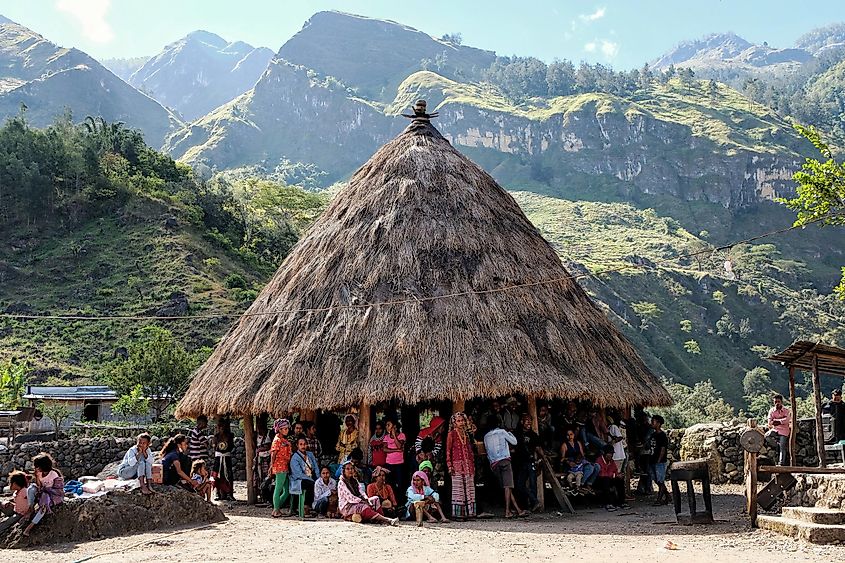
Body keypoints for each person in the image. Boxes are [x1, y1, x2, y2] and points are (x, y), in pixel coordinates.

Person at [483, 417, 528, 518]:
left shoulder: (486, 436)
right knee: (508, 486)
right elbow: (514, 442)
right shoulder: (502, 432)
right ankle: (507, 511)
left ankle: (518, 509)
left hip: (494, 464)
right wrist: (510, 433)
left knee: (506, 487)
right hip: (504, 461)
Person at [338, 461, 399, 526]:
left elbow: (362, 492)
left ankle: (380, 519)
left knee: (376, 499)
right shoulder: (342, 482)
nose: (350, 470)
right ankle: (387, 520)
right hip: (347, 506)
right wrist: (363, 501)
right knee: (364, 506)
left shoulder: (355, 481)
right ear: (344, 471)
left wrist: (366, 500)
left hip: (358, 502)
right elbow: (350, 498)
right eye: (347, 469)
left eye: (352, 468)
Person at [23, 453, 64, 537]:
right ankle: (31, 508)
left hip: (53, 495)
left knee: (44, 505)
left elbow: (58, 489)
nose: (35, 468)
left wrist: (45, 492)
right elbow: (39, 486)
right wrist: (37, 477)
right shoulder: (39, 473)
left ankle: (30, 526)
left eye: (37, 466)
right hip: (43, 492)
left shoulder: (54, 474)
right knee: (31, 488)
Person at [446, 411, 476, 520]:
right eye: (458, 421)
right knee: (458, 490)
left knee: (469, 488)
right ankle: (459, 514)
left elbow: (470, 450)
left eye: (462, 420)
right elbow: (448, 451)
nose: (461, 423)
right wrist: (450, 465)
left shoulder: (467, 434)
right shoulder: (451, 434)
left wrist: (472, 464)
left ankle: (470, 513)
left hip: (468, 465)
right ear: (454, 423)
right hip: (457, 465)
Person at [514, 414, 542, 512]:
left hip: (530, 462)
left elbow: (538, 448)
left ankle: (534, 505)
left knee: (533, 484)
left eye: (530, 420)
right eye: (527, 420)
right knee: (520, 485)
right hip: (520, 462)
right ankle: (533, 502)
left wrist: (542, 459)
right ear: (522, 421)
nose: (529, 422)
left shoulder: (534, 435)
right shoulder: (517, 434)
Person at [560, 428, 598, 493]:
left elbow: (582, 455)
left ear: (574, 435)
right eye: (568, 435)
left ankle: (584, 484)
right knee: (590, 468)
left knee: (595, 466)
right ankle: (578, 485)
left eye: (571, 434)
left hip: (579, 463)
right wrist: (568, 461)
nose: (570, 436)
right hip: (570, 465)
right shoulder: (564, 445)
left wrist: (586, 462)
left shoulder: (578, 443)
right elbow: (562, 459)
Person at [290, 437, 319, 517]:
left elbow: (316, 467)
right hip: (299, 480)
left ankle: (315, 506)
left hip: (311, 477)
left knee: (320, 484)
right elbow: (298, 474)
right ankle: (306, 506)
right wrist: (312, 480)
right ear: (297, 445)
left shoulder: (310, 454)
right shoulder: (295, 457)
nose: (303, 446)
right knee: (310, 484)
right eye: (301, 444)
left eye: (305, 444)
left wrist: (318, 478)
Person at [270, 418, 293, 518]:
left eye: (287, 428)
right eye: (285, 429)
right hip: (280, 467)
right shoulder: (277, 440)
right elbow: (273, 454)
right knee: (278, 488)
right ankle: (276, 510)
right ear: (279, 429)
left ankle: (277, 506)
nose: (287, 430)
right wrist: (271, 466)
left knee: (286, 490)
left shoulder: (284, 440)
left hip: (285, 466)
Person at [595, 445, 629, 511]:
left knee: (620, 480)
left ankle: (621, 502)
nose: (610, 455)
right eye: (609, 453)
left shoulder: (611, 461)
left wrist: (618, 475)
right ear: (604, 453)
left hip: (609, 478)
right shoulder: (599, 460)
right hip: (600, 481)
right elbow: (602, 474)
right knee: (606, 480)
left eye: (612, 453)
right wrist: (614, 475)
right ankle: (608, 503)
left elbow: (615, 470)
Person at [0, 471, 32, 535]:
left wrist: (28, 513)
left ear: (14, 483)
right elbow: (20, 502)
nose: (9, 485)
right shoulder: (17, 492)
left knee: (5, 523)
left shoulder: (24, 492)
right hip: (15, 509)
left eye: (10, 483)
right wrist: (9, 503)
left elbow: (31, 502)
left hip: (20, 514)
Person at [212, 418, 235, 500]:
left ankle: (229, 493)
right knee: (216, 475)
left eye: (223, 427)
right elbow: (214, 447)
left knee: (228, 475)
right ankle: (217, 493)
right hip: (218, 458)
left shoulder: (230, 436)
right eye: (220, 427)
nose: (222, 429)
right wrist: (216, 445)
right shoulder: (216, 437)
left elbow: (232, 446)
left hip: (226, 457)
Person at [649, 415, 670, 506]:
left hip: (659, 461)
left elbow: (663, 449)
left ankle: (659, 499)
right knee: (657, 480)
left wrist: (659, 460)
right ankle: (667, 496)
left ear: (658, 423)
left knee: (660, 480)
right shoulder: (653, 435)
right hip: (653, 459)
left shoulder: (662, 436)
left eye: (653, 421)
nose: (651, 423)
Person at [766, 394, 792, 466]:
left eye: (778, 401)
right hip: (775, 429)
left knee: (782, 447)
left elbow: (787, 420)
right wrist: (781, 421)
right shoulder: (772, 411)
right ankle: (776, 445)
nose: (777, 403)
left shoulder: (786, 410)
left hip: (784, 431)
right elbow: (769, 422)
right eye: (775, 402)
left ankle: (781, 463)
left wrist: (777, 421)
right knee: (767, 436)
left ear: (781, 402)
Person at [383, 419, 406, 491]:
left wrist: (394, 435)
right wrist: (396, 450)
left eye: (388, 425)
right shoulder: (386, 437)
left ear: (394, 426)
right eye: (386, 425)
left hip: (399, 463)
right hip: (389, 463)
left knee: (400, 483)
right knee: (390, 483)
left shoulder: (402, 435)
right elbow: (384, 449)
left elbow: (399, 445)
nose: (386, 427)